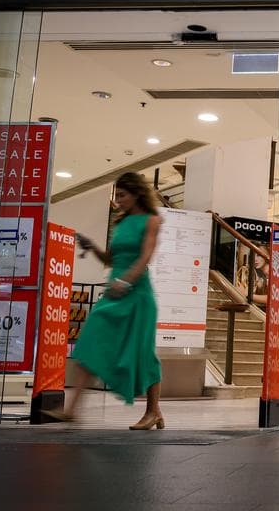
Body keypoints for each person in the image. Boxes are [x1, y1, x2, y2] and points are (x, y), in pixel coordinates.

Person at [51, 172, 164, 430]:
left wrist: (125, 282)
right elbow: (110, 260)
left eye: (122, 195)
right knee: (90, 341)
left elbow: (145, 257)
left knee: (143, 354)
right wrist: (91, 247)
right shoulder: (121, 223)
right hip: (114, 293)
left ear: (136, 193)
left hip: (136, 295)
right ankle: (71, 410)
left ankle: (153, 412)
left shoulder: (152, 220)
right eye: (117, 195)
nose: (118, 200)